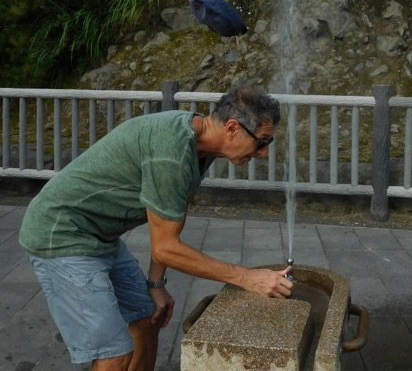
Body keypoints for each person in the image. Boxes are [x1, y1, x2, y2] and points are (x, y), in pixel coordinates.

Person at [19, 85, 293, 371]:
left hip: (99, 236)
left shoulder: (202, 147)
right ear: (233, 128)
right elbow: (167, 248)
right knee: (114, 352)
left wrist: (156, 284)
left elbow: (166, 229)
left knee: (148, 315)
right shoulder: (172, 151)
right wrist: (248, 278)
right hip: (61, 233)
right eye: (262, 142)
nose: (263, 153)